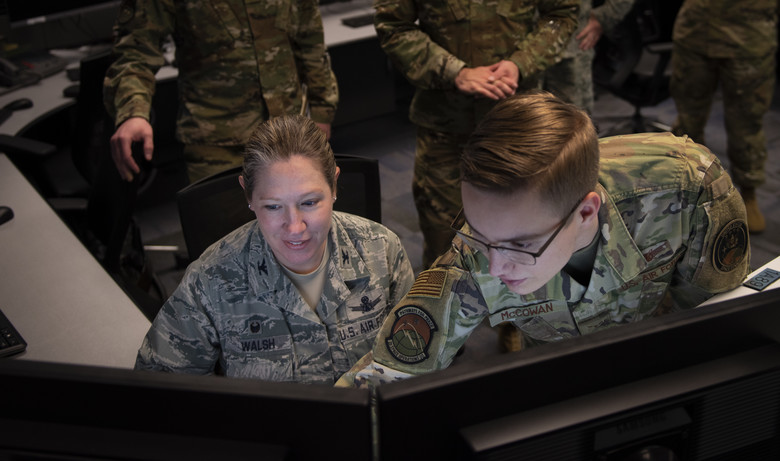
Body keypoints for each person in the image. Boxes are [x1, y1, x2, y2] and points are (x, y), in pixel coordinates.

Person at [336, 91, 750, 387]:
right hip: (552, 377)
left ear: (586, 212)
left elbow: (717, 318)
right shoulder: (476, 256)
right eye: (479, 235)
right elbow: (385, 374)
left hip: (661, 363)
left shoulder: (688, 187)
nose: (495, 268)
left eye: (519, 245)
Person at [135, 115, 415, 384]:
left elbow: (417, 355)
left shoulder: (382, 251)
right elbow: (162, 386)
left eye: (309, 202)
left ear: (334, 185)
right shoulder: (210, 280)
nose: (294, 227)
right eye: (272, 206)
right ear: (248, 195)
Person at [372, 0, 580, 269]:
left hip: (518, 124)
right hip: (445, 129)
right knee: (446, 242)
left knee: (524, 238)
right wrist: (453, 72)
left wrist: (521, 63)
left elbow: (562, 14)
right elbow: (393, 26)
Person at [104, 0, 339, 183]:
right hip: (217, 141)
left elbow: (310, 37)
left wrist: (321, 109)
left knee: (297, 233)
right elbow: (135, 52)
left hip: (289, 131)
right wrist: (133, 112)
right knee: (223, 238)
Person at [670, 0, 778, 234]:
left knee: (746, 122)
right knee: (689, 119)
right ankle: (688, 190)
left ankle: (748, 192)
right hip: (695, 31)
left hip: (749, 37)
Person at [543, 0, 635, 113]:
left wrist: (602, 18)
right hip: (523, 55)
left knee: (575, 120)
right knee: (526, 121)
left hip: (570, 52)